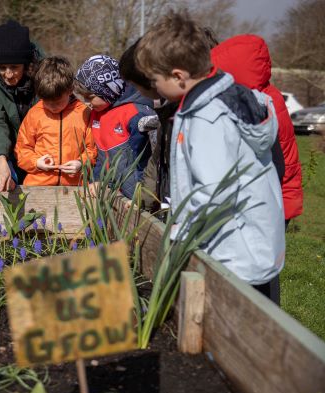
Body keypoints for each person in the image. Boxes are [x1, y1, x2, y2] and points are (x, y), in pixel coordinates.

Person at [135, 11, 285, 301]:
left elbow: (213, 193)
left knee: (232, 332)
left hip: (233, 252)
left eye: (155, 79)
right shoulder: (229, 98)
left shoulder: (207, 118)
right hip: (249, 244)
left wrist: (178, 237)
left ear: (178, 77)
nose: (154, 87)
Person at [211, 34, 304, 227]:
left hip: (272, 194)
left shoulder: (259, 100)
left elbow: (275, 153)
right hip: (277, 191)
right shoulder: (269, 94)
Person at [73, 55, 157, 198]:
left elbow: (144, 161)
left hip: (137, 197)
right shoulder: (97, 113)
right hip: (112, 195)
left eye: (90, 97)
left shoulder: (136, 113)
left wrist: (142, 197)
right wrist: (97, 180)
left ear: (107, 89)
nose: (87, 102)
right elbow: (102, 157)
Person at [0, 19, 44, 190]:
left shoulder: (43, 69)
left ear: (27, 65)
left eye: (14, 67)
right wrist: (1, 159)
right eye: (2, 67)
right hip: (7, 142)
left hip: (41, 147)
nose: (8, 74)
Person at [14, 56, 97, 186]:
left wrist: (81, 163)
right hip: (38, 186)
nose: (52, 107)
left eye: (57, 102)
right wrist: (36, 162)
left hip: (75, 187)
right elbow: (22, 149)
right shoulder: (34, 114)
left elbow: (92, 149)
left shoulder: (84, 113)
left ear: (70, 90)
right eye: (47, 102)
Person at [119, 39, 178, 213]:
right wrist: (142, 200)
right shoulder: (166, 113)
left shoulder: (187, 116)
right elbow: (156, 162)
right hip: (168, 206)